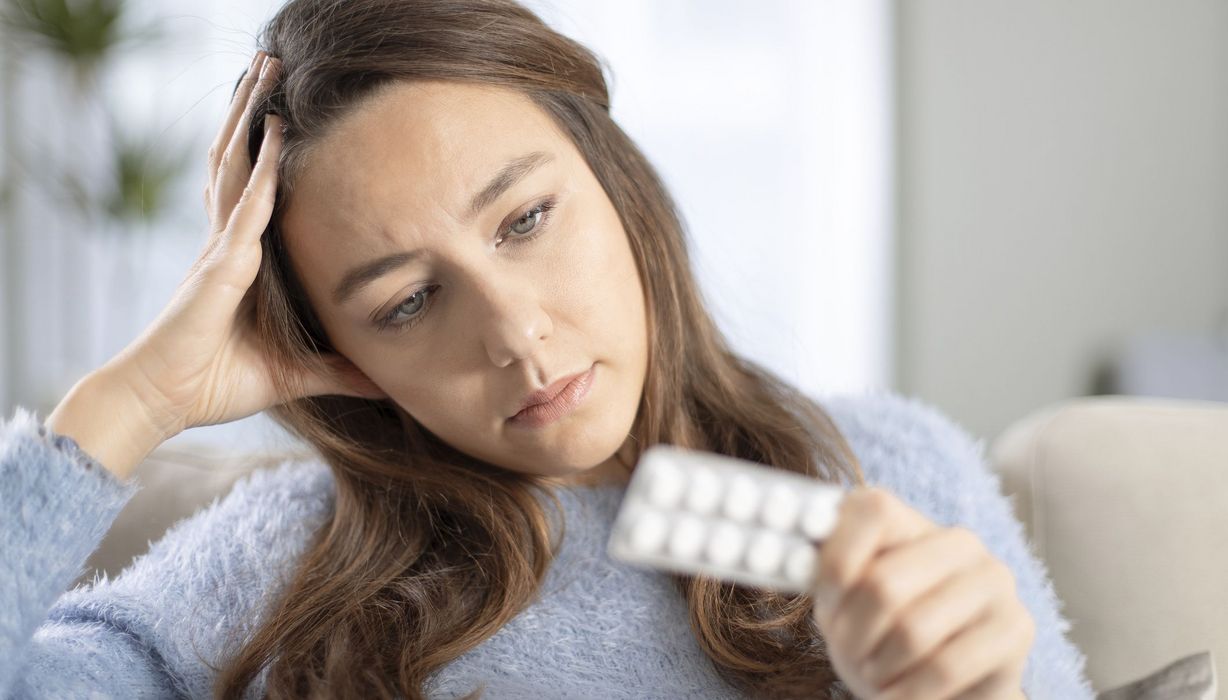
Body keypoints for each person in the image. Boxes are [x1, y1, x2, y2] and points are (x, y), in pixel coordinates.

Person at [0, 0, 1095, 698]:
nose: (517, 336)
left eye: (525, 220)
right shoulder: (272, 564)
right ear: (340, 354)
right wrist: (133, 397)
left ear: (614, 183)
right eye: (408, 300)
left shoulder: (889, 472)